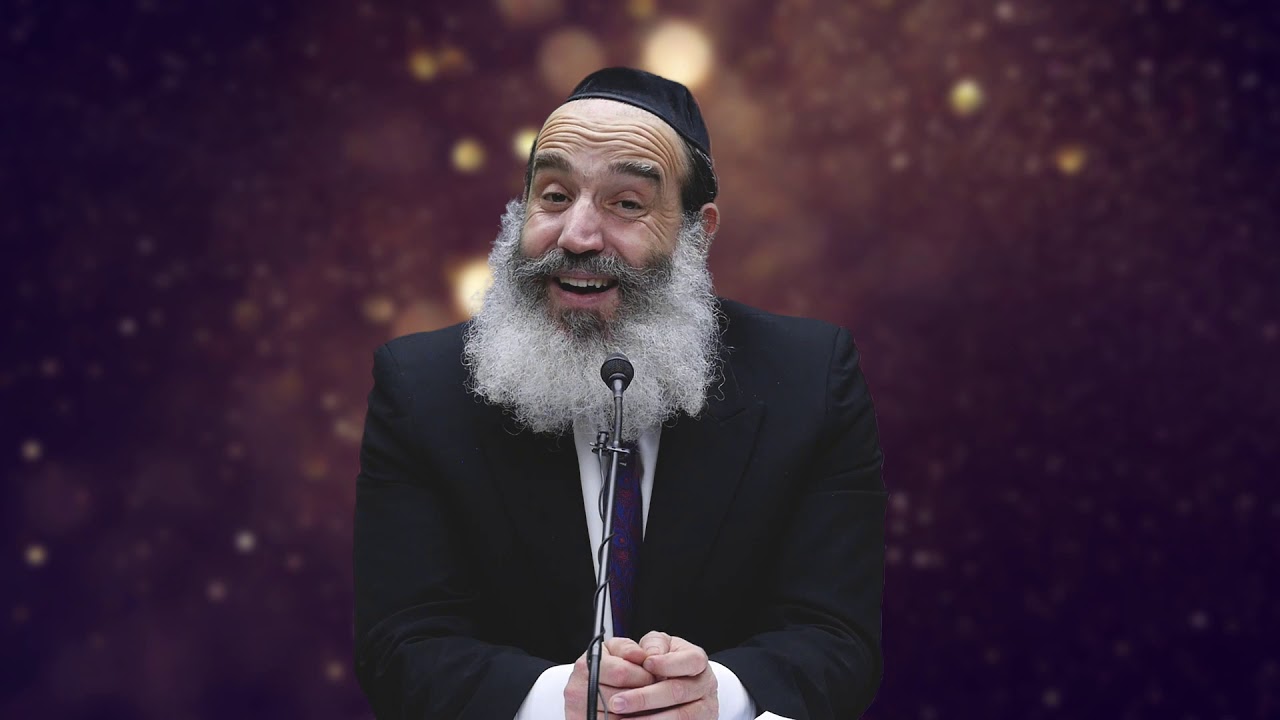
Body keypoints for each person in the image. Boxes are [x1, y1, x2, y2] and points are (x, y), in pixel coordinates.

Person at [353, 67, 886, 720]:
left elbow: (836, 638)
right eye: (554, 196)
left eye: (627, 204)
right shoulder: (420, 388)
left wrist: (715, 696)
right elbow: (402, 646)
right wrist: (561, 700)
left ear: (697, 231)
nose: (576, 237)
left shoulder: (810, 378)